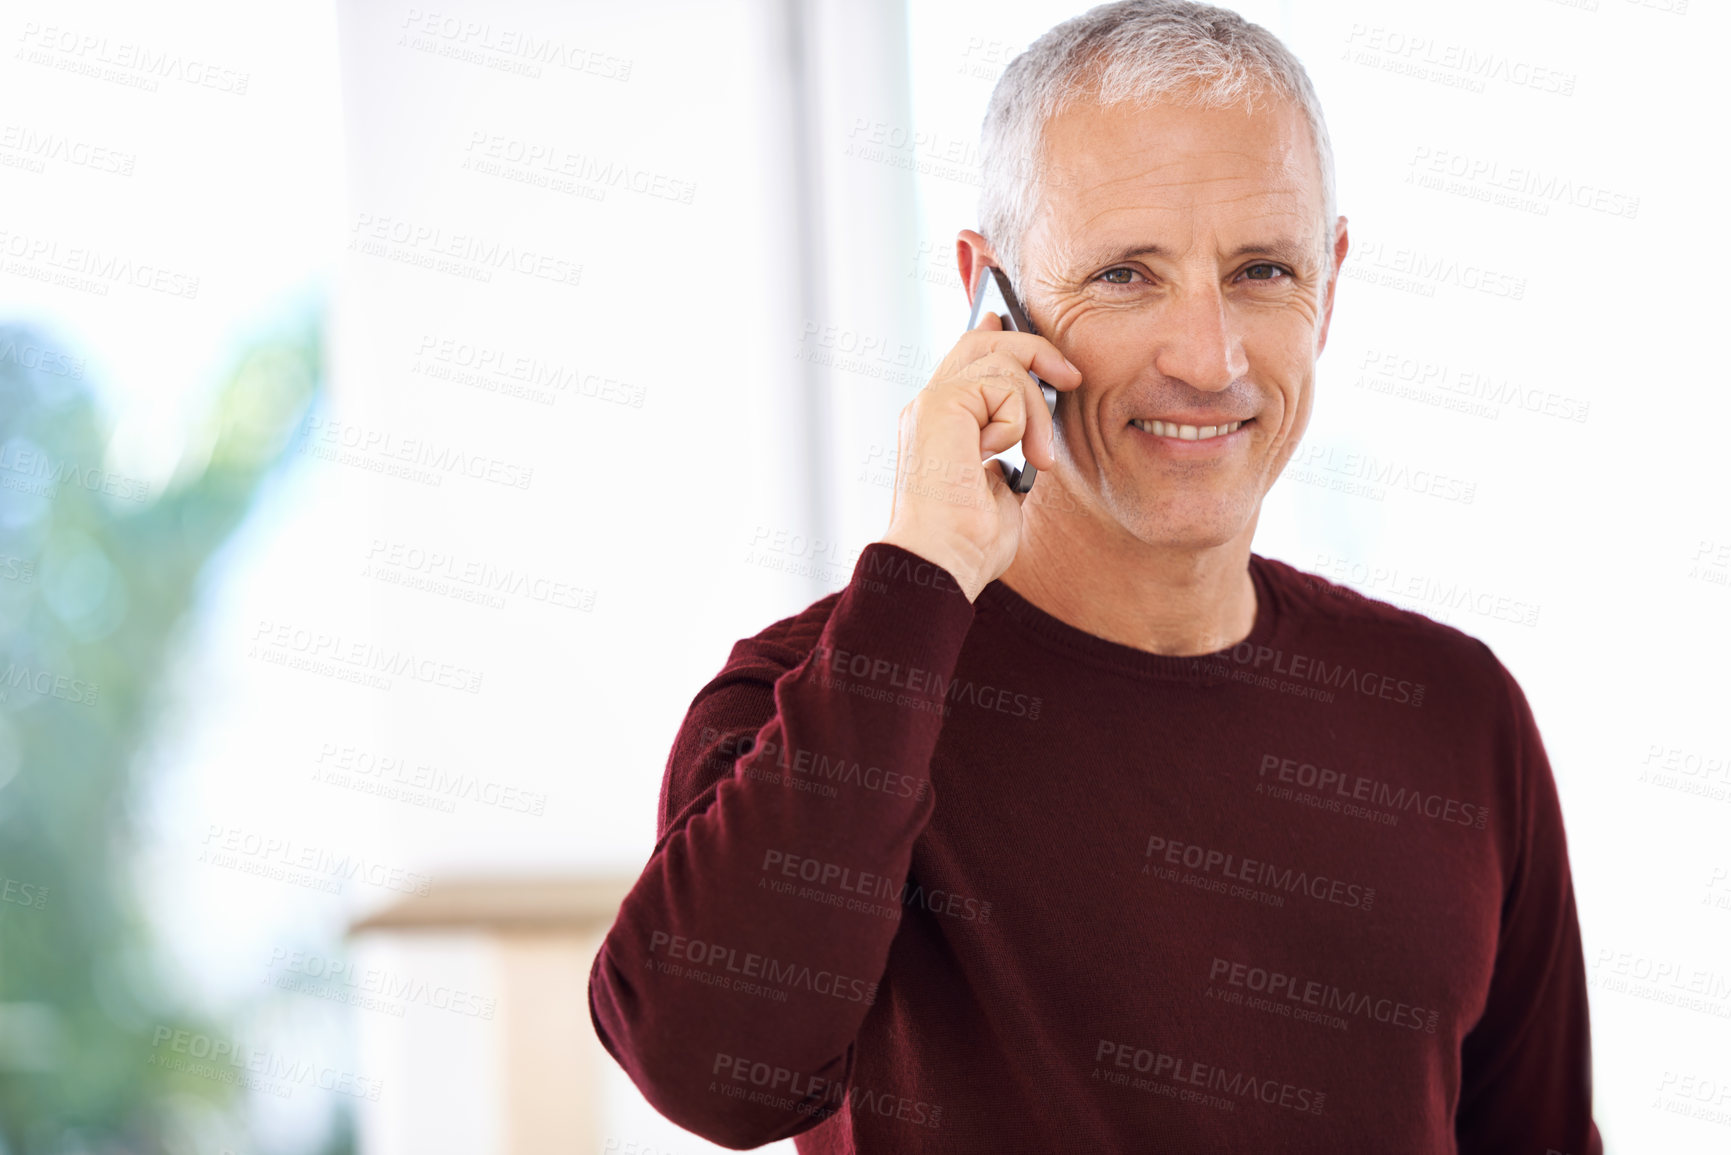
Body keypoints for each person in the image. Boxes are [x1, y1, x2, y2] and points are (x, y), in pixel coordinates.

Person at [588, 2, 1603, 1151]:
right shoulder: (820, 695)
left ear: (1332, 285)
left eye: (1264, 269)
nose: (1209, 359)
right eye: (1126, 275)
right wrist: (920, 575)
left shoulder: (1453, 711)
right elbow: (710, 1072)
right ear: (991, 297)